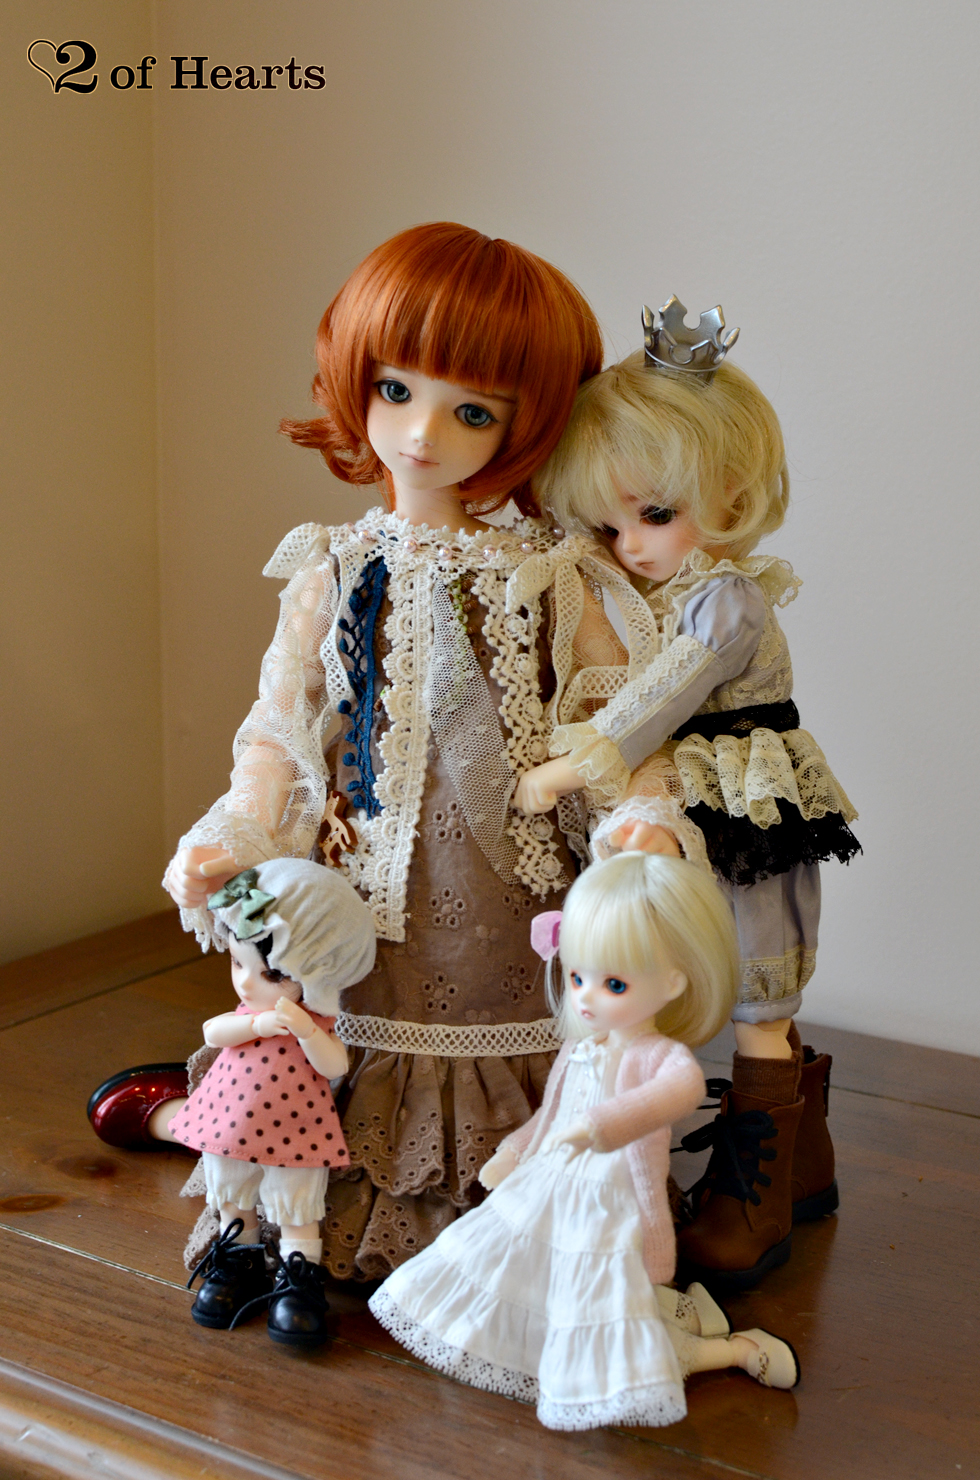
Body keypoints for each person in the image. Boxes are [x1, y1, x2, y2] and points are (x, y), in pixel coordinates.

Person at [90, 222, 617, 1280]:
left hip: (503, 895)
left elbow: (611, 715)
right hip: (358, 888)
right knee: (326, 1025)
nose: (421, 433)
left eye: (473, 412)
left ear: (528, 425)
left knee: (489, 1004)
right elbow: (279, 728)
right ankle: (231, 1156)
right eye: (395, 389)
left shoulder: (548, 575)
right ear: (354, 377)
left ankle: (482, 1200)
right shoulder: (330, 567)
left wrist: (637, 816)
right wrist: (238, 833)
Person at [514, 300, 860, 1287]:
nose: (629, 543)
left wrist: (575, 764)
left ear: (731, 494)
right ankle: (796, 1161)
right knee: (675, 959)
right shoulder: (656, 592)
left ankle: (763, 1182)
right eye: (609, 522)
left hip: (746, 789)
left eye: (655, 515)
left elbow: (664, 692)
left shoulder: (726, 599)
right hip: (694, 786)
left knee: (757, 974)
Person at [370, 853, 800, 1431]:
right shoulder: (582, 1046)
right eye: (577, 978)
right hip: (551, 1193)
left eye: (613, 984)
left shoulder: (656, 1056)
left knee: (620, 1335)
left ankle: (737, 1349)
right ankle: (688, 1311)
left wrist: (601, 1127)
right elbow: (551, 1116)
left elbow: (679, 1091)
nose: (587, 997)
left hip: (609, 1210)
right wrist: (515, 1152)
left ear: (674, 982)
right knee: (527, 1284)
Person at [175, 859, 375, 1346]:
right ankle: (238, 1261)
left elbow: (335, 1065)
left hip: (296, 1127)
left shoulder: (314, 1021)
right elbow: (213, 1031)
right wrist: (256, 1024)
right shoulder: (250, 1013)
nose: (246, 983)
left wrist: (306, 1031)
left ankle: (296, 1278)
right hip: (229, 1120)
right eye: (237, 963)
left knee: (296, 1202)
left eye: (269, 975)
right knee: (232, 1188)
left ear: (314, 977)